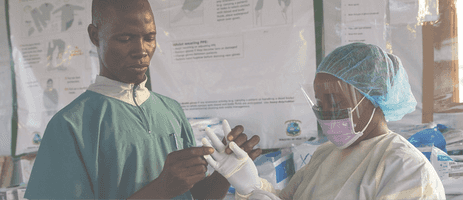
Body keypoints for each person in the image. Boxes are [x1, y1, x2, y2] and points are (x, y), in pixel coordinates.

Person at [24, 0, 262, 199]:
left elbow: (195, 197)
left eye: (149, 37)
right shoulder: (70, 126)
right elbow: (166, 190)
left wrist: (226, 174)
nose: (142, 50)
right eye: (125, 38)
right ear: (95, 35)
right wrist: (160, 190)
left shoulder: (171, 111)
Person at [203, 42, 446, 199]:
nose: (326, 113)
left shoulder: (406, 168)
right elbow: (287, 197)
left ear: (374, 97)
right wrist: (250, 183)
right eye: (320, 104)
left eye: (336, 102)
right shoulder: (325, 154)